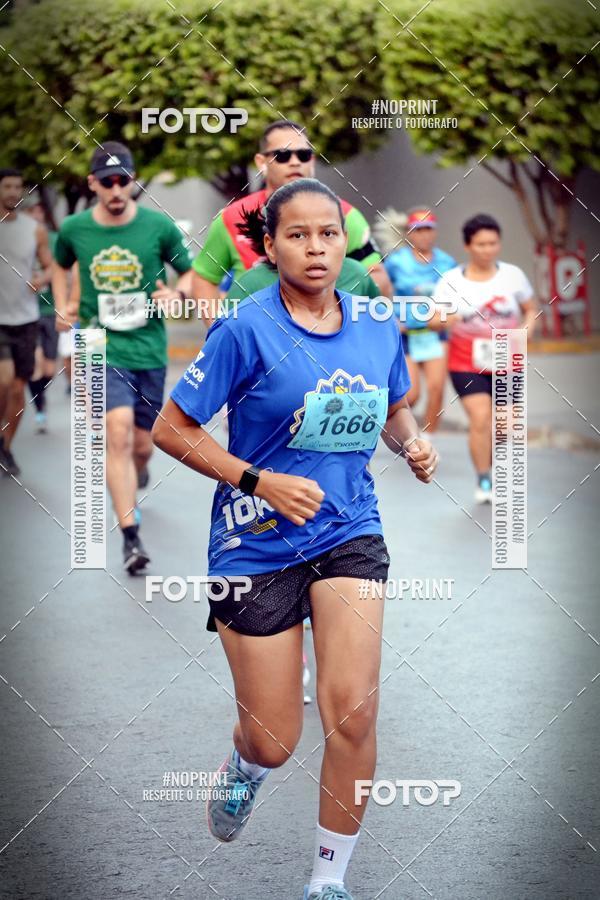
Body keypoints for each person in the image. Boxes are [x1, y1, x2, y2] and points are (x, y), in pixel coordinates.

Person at [153, 178, 438, 900]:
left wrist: (412, 443)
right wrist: (258, 481)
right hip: (253, 544)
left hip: (348, 529)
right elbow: (170, 429)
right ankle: (245, 767)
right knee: (274, 738)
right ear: (270, 246)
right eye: (299, 235)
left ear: (345, 244)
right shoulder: (245, 328)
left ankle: (328, 879)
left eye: (329, 234)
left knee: (353, 709)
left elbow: (393, 403)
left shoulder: (375, 319)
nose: (316, 247)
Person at [53, 141, 193, 573]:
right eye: (108, 182)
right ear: (93, 183)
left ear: (133, 182)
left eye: (124, 181)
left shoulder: (159, 227)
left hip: (148, 347)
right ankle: (130, 536)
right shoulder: (74, 229)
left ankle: (137, 470)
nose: (117, 189)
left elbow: (187, 269)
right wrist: (63, 302)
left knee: (139, 444)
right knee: (114, 432)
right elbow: (60, 263)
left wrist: (178, 291)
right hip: (96, 344)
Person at [192, 119, 392, 323]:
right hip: (260, 345)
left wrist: (332, 316)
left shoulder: (345, 215)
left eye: (303, 155)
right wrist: (219, 328)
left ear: (312, 161)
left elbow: (377, 280)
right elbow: (204, 277)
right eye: (283, 155)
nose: (295, 162)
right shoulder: (233, 217)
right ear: (262, 162)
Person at [432, 213, 536, 503]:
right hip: (466, 363)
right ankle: (484, 478)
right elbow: (432, 319)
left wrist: (526, 331)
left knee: (505, 424)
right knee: (480, 419)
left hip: (507, 359)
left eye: (493, 243)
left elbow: (531, 308)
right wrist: (448, 318)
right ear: (468, 246)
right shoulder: (451, 281)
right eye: (481, 244)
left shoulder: (513, 275)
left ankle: (493, 461)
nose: (488, 250)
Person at [0, 168, 52, 476]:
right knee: (4, 381)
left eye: (17, 187)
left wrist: (42, 279)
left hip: (26, 318)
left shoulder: (35, 229)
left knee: (19, 390)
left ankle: (6, 446)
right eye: (7, 186)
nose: (13, 192)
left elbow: (49, 266)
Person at [384, 207, 455, 433]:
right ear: (409, 233)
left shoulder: (447, 263)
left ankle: (428, 440)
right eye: (418, 230)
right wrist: (391, 319)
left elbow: (456, 295)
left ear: (434, 232)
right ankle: (383, 425)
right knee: (411, 395)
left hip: (434, 333)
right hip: (407, 334)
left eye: (428, 229)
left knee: (436, 389)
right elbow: (380, 290)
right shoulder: (396, 262)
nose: (423, 235)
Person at [25, 201, 60, 433]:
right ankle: (39, 411)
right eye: (31, 213)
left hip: (51, 311)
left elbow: (61, 268)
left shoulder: (55, 241)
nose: (37, 217)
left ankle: (41, 398)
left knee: (48, 370)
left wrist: (44, 280)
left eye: (40, 212)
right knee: (36, 365)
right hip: (28, 313)